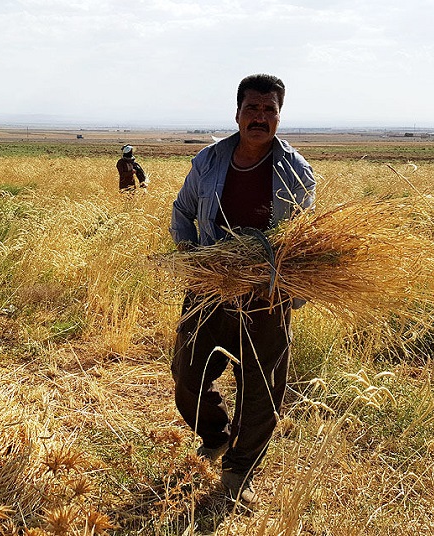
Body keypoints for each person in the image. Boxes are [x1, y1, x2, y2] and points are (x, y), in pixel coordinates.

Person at [168, 74, 316, 504]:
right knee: (187, 373)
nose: (260, 118)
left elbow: (300, 238)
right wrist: (193, 260)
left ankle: (238, 472)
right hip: (212, 285)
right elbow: (183, 211)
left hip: (266, 294)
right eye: (252, 108)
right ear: (237, 113)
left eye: (269, 110)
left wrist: (281, 285)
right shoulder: (209, 162)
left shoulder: (296, 171)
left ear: (279, 116)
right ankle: (215, 436)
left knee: (262, 387)